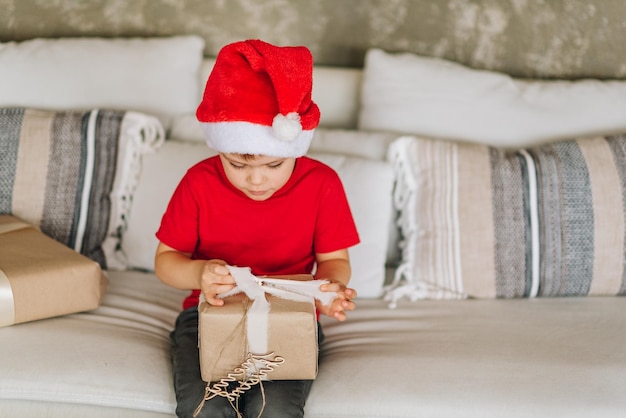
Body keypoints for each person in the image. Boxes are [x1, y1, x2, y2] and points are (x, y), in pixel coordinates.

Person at [154, 39, 360, 418]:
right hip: (208, 316)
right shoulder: (199, 183)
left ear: (295, 149)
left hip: (290, 317)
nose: (256, 180)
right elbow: (167, 261)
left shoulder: (322, 184)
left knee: (275, 409)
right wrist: (198, 273)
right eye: (237, 165)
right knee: (206, 407)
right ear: (221, 150)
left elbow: (334, 260)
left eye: (273, 166)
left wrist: (328, 289)